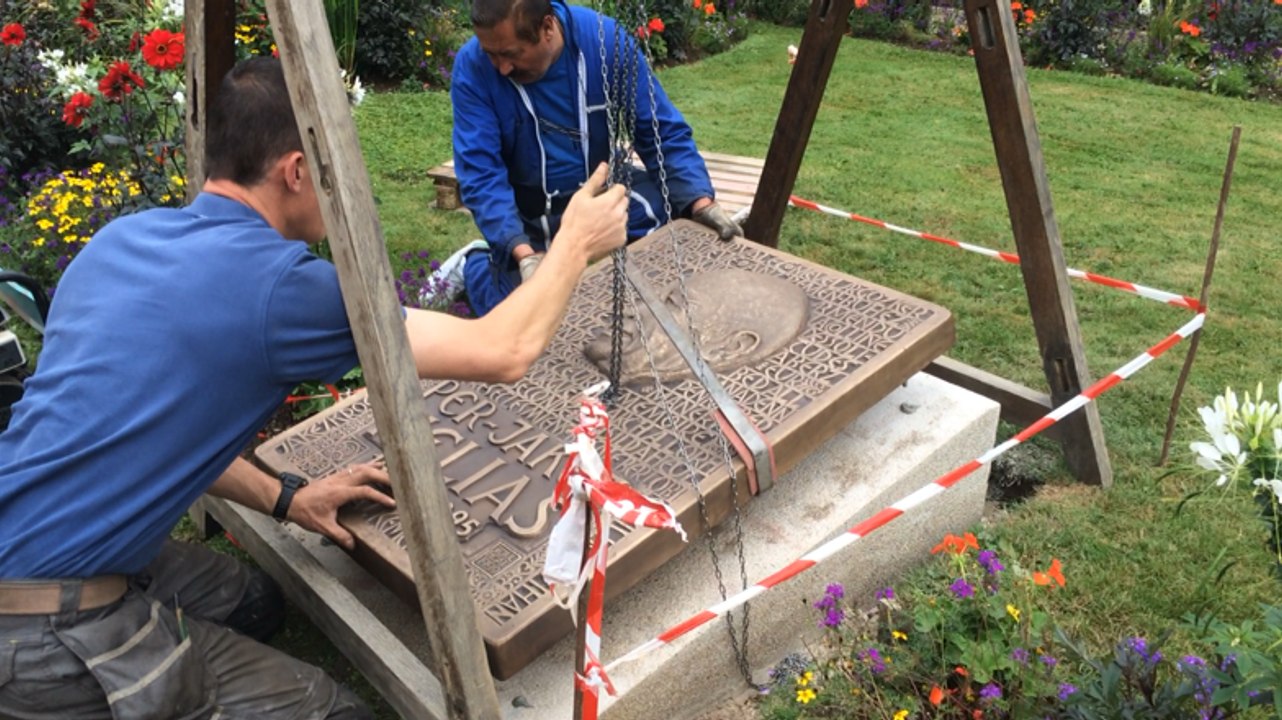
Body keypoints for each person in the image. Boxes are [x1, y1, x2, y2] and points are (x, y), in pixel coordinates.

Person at [0, 57, 626, 719]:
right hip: (40, 628)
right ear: (297, 171)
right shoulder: (284, 290)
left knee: (255, 602)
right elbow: (504, 350)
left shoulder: (118, 242)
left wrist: (286, 499)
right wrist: (574, 243)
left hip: (23, 537)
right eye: (335, 166)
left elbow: (151, 422)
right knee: (335, 711)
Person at [448, 0, 744, 316]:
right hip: (530, 210)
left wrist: (701, 203)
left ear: (547, 28)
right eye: (491, 53)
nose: (501, 67)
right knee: (517, 315)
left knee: (674, 229)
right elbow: (481, 174)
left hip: (601, 194)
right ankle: (476, 264)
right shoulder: (473, 67)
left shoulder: (602, 40)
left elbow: (658, 129)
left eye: (510, 54)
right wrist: (525, 255)